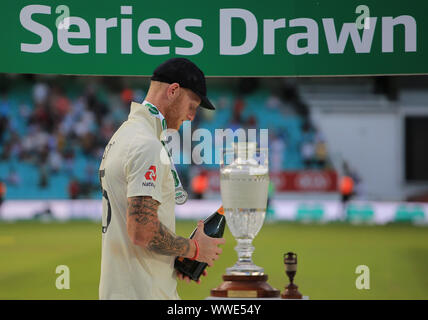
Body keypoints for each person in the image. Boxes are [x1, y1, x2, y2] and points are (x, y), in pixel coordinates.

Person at [98, 58, 225, 300]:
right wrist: (194, 249)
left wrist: (176, 255)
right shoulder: (147, 144)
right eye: (192, 105)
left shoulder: (123, 135)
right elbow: (142, 231)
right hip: (145, 293)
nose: (191, 116)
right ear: (174, 91)